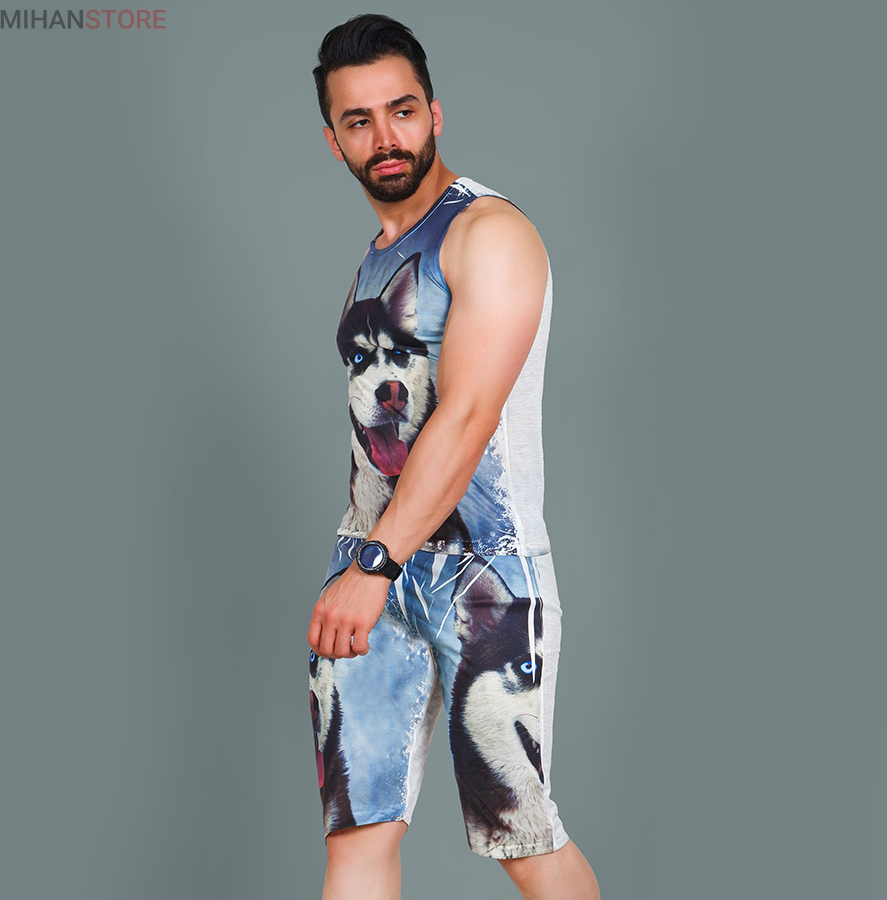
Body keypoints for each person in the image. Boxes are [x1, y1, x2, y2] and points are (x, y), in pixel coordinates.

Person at [306, 14, 601, 900]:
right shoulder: (375, 261)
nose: (386, 136)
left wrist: (374, 565)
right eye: (359, 121)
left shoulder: (489, 233)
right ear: (334, 141)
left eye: (402, 111)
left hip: (483, 577)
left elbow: (468, 416)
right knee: (356, 835)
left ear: (435, 113)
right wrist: (364, 562)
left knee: (522, 840)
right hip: (371, 561)